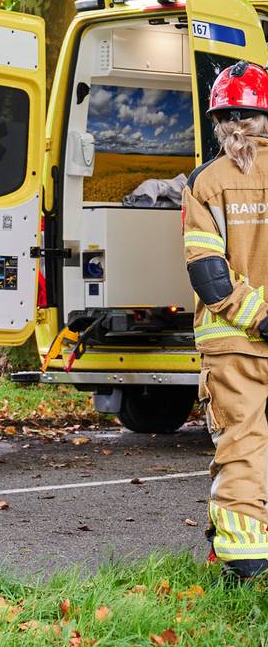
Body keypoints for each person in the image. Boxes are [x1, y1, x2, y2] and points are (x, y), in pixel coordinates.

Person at [181, 60, 268, 581]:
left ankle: (243, 557)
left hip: (234, 342)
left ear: (219, 121)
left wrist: (258, 317)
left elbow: (208, 274)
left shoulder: (206, 182)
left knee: (242, 441)